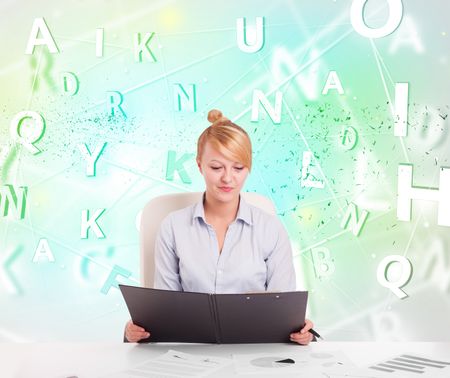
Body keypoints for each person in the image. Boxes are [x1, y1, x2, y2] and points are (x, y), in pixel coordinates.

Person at [125, 109, 314, 345]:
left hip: (255, 352)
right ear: (199, 165)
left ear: (249, 168)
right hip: (191, 352)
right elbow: (167, 312)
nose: (227, 178)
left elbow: (282, 312)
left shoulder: (271, 229)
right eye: (216, 167)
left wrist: (298, 330)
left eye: (238, 168)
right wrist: (138, 330)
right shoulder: (173, 227)